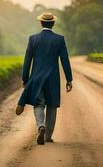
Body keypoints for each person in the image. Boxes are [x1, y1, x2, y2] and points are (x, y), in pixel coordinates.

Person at [15, 11, 73, 145]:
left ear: (41, 23)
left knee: (39, 104)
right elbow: (65, 60)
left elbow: (27, 61)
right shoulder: (59, 39)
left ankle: (41, 126)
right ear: (53, 23)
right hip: (52, 78)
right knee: (52, 105)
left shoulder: (33, 39)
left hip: (37, 77)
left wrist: (25, 78)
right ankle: (48, 136)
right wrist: (69, 79)